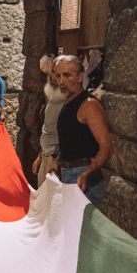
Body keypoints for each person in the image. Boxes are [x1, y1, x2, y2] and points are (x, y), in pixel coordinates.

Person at [54, 55, 112, 205]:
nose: (61, 81)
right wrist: (58, 161)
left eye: (67, 75)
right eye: (58, 76)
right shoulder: (67, 103)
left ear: (80, 77)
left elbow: (106, 147)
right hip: (68, 174)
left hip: (83, 177)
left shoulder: (89, 105)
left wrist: (87, 172)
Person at [31, 55, 65, 187]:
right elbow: (48, 129)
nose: (51, 78)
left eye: (56, 74)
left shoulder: (66, 102)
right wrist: (40, 156)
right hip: (47, 155)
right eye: (50, 74)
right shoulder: (52, 98)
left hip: (54, 157)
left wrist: (56, 158)